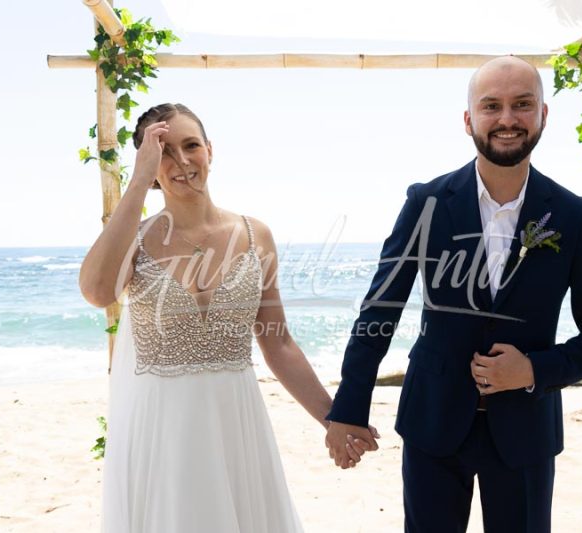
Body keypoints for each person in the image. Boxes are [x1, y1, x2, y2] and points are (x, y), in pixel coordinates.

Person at [324, 56, 582, 532]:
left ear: (543, 115)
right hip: (433, 424)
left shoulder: (571, 215)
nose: (507, 119)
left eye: (522, 105)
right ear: (469, 119)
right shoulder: (425, 202)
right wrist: (348, 408)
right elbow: (379, 311)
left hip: (526, 432)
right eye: (492, 106)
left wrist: (533, 370)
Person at [79, 103, 375, 533]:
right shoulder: (137, 240)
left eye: (191, 145)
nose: (181, 161)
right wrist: (140, 182)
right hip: (161, 435)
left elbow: (279, 344)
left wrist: (335, 419)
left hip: (234, 427)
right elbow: (97, 290)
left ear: (210, 150)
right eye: (163, 152)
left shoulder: (255, 235)